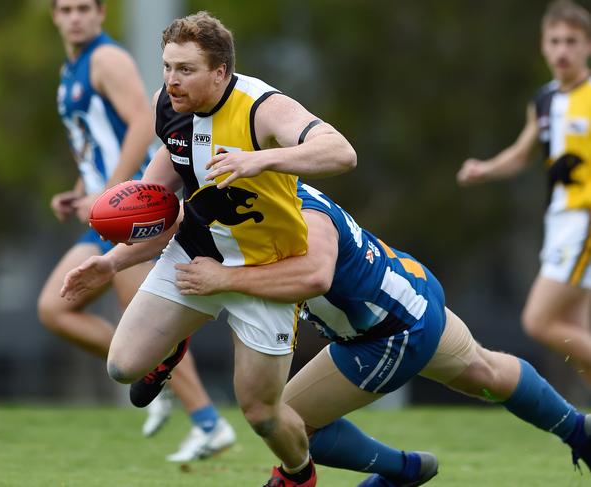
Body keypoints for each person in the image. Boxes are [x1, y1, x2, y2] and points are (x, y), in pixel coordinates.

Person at [63, 10, 357, 486]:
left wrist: (258, 160)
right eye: (166, 67)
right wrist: (110, 262)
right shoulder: (169, 106)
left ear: (220, 72)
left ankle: (298, 475)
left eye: (185, 69)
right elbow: (159, 211)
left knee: (260, 413)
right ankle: (170, 348)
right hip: (196, 253)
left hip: (267, 272)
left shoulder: (262, 107)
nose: (171, 81)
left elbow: (342, 152)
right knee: (121, 366)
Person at [173, 182, 591, 485]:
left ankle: (402, 472)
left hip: (388, 330)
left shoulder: (301, 214)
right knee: (484, 370)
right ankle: (579, 430)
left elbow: (314, 275)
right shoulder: (262, 201)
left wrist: (223, 279)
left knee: (286, 423)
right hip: (409, 295)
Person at [40, 0, 235, 457]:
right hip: (105, 210)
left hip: (132, 212)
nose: (75, 17)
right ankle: (182, 398)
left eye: (84, 7)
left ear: (101, 12)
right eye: (65, 9)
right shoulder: (71, 70)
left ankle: (207, 423)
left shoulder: (106, 59)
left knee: (143, 321)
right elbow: (94, 141)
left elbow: (141, 125)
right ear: (54, 16)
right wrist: (80, 189)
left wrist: (111, 193)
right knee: (56, 308)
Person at [457, 0, 591, 387]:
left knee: (539, 320)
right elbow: (521, 154)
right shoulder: (545, 99)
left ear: (586, 46)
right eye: (555, 41)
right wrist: (485, 169)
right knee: (573, 329)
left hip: (583, 222)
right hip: (560, 220)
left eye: (571, 41)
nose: (562, 50)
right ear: (543, 46)